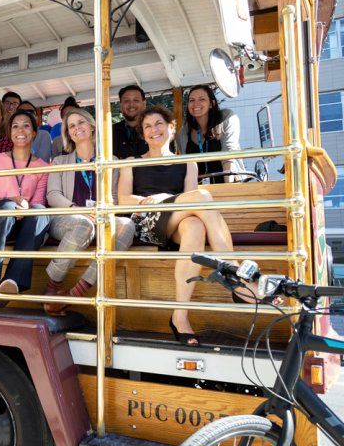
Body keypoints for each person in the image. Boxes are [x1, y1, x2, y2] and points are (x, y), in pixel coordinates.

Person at [118, 106, 257, 347]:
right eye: (147, 126)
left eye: (159, 124)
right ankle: (235, 273)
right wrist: (158, 198)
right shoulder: (131, 163)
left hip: (178, 221)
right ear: (142, 133)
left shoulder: (187, 163)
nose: (154, 130)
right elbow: (123, 199)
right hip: (147, 220)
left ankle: (179, 316)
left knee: (195, 226)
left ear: (171, 128)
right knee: (201, 197)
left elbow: (190, 199)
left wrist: (166, 198)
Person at [42, 108, 136, 315]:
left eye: (81, 123)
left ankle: (76, 293)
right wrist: (79, 209)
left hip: (100, 218)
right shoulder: (59, 161)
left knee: (127, 226)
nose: (77, 128)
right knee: (83, 224)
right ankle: (51, 287)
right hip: (67, 218)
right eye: (72, 126)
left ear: (92, 127)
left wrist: (102, 212)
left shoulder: (110, 160)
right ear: (68, 133)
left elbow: (115, 196)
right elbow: (53, 195)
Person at [0, 110, 50, 303]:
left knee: (40, 211)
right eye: (15, 126)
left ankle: (13, 281)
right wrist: (11, 202)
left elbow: (38, 202)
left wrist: (23, 208)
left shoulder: (42, 166)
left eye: (26, 125)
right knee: (6, 205)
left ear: (33, 133)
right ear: (9, 133)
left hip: (19, 224)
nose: (20, 130)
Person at [175, 84, 244, 183]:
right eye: (191, 100)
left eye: (201, 99)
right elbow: (187, 166)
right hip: (199, 190)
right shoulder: (183, 133)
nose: (196, 104)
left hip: (230, 182)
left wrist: (229, 187)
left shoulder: (227, 117)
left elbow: (229, 153)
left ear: (212, 104)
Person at [113, 85, 149, 159]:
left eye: (136, 100)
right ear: (120, 106)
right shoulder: (109, 133)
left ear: (144, 104)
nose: (131, 105)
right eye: (126, 101)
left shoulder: (156, 130)